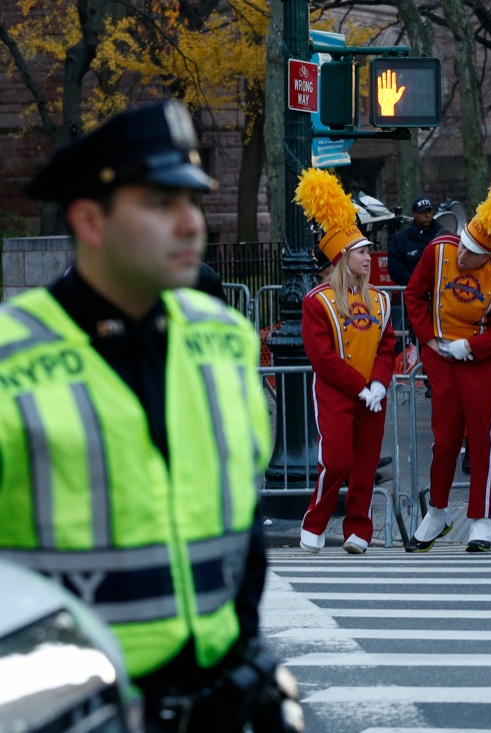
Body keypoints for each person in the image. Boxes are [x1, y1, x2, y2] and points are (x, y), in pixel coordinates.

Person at [2, 100, 299, 732]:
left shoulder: (224, 336)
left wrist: (245, 650)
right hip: (68, 708)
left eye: (193, 201)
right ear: (89, 219)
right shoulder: (10, 356)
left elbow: (239, 516)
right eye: (161, 204)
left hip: (220, 699)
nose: (191, 223)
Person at [403, 171, 491, 553]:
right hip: (440, 355)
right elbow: (414, 295)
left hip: (480, 361)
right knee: (443, 440)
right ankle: (437, 511)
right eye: (463, 244)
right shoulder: (439, 250)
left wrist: (472, 347)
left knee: (481, 437)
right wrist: (430, 341)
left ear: (490, 253)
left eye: (472, 252)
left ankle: (481, 518)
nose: (462, 254)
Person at [294, 168, 397, 555]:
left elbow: (387, 346)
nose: (369, 258)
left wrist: (380, 385)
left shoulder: (381, 300)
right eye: (362, 252)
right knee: (336, 461)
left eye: (368, 251)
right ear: (342, 258)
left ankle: (359, 529)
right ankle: (315, 522)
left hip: (374, 393)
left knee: (366, 466)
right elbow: (321, 357)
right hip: (338, 392)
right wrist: (360, 386)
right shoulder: (317, 301)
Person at [387, 195, 443, 286]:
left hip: (440, 292)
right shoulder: (401, 239)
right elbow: (395, 269)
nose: (427, 215)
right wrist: (417, 283)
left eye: (429, 211)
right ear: (413, 214)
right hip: (414, 294)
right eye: (422, 212)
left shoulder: (443, 235)